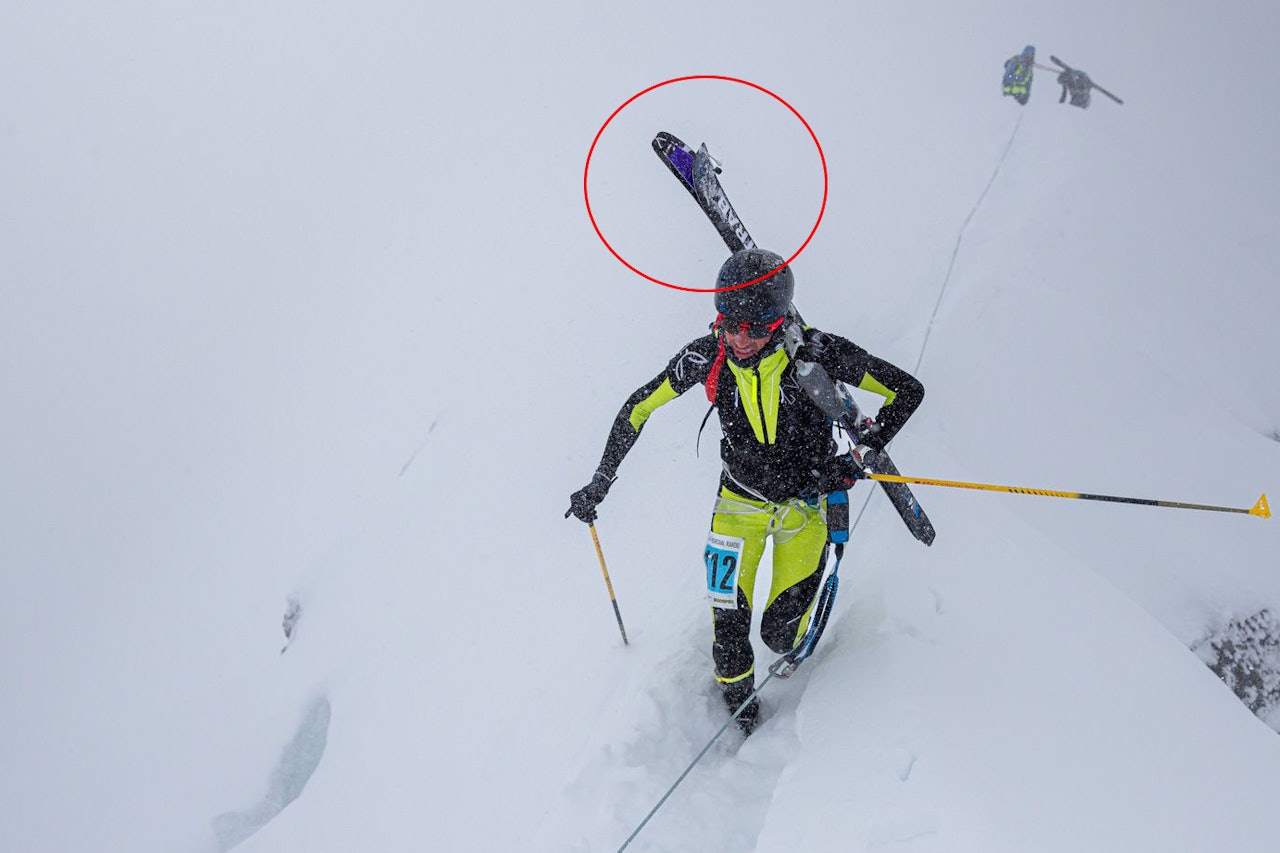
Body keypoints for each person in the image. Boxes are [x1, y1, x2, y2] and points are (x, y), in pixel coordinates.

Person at [566, 249, 924, 735]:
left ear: (778, 323)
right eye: (730, 325)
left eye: (755, 329)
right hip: (737, 506)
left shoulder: (817, 354)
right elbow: (638, 407)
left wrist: (859, 456)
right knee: (729, 636)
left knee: (780, 635)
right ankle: (742, 725)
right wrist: (600, 480)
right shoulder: (707, 355)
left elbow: (906, 390)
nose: (740, 339)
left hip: (806, 509)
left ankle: (810, 641)